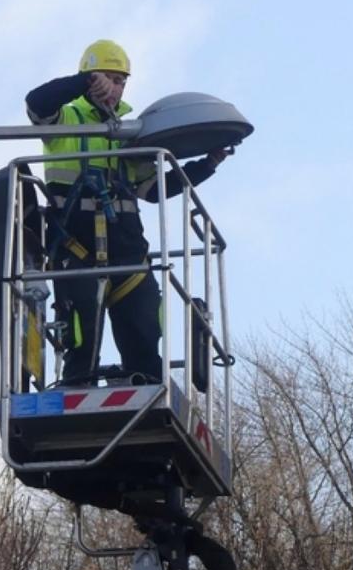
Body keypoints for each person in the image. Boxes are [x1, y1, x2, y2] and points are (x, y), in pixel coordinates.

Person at [25, 39, 230, 384]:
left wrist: (206, 165)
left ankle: (146, 388)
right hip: (77, 252)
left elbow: (151, 191)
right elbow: (36, 103)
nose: (115, 87)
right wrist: (83, 82)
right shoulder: (66, 118)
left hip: (129, 254)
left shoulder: (131, 134)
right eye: (108, 77)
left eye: (121, 81)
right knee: (81, 340)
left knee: (145, 330)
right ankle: (79, 390)